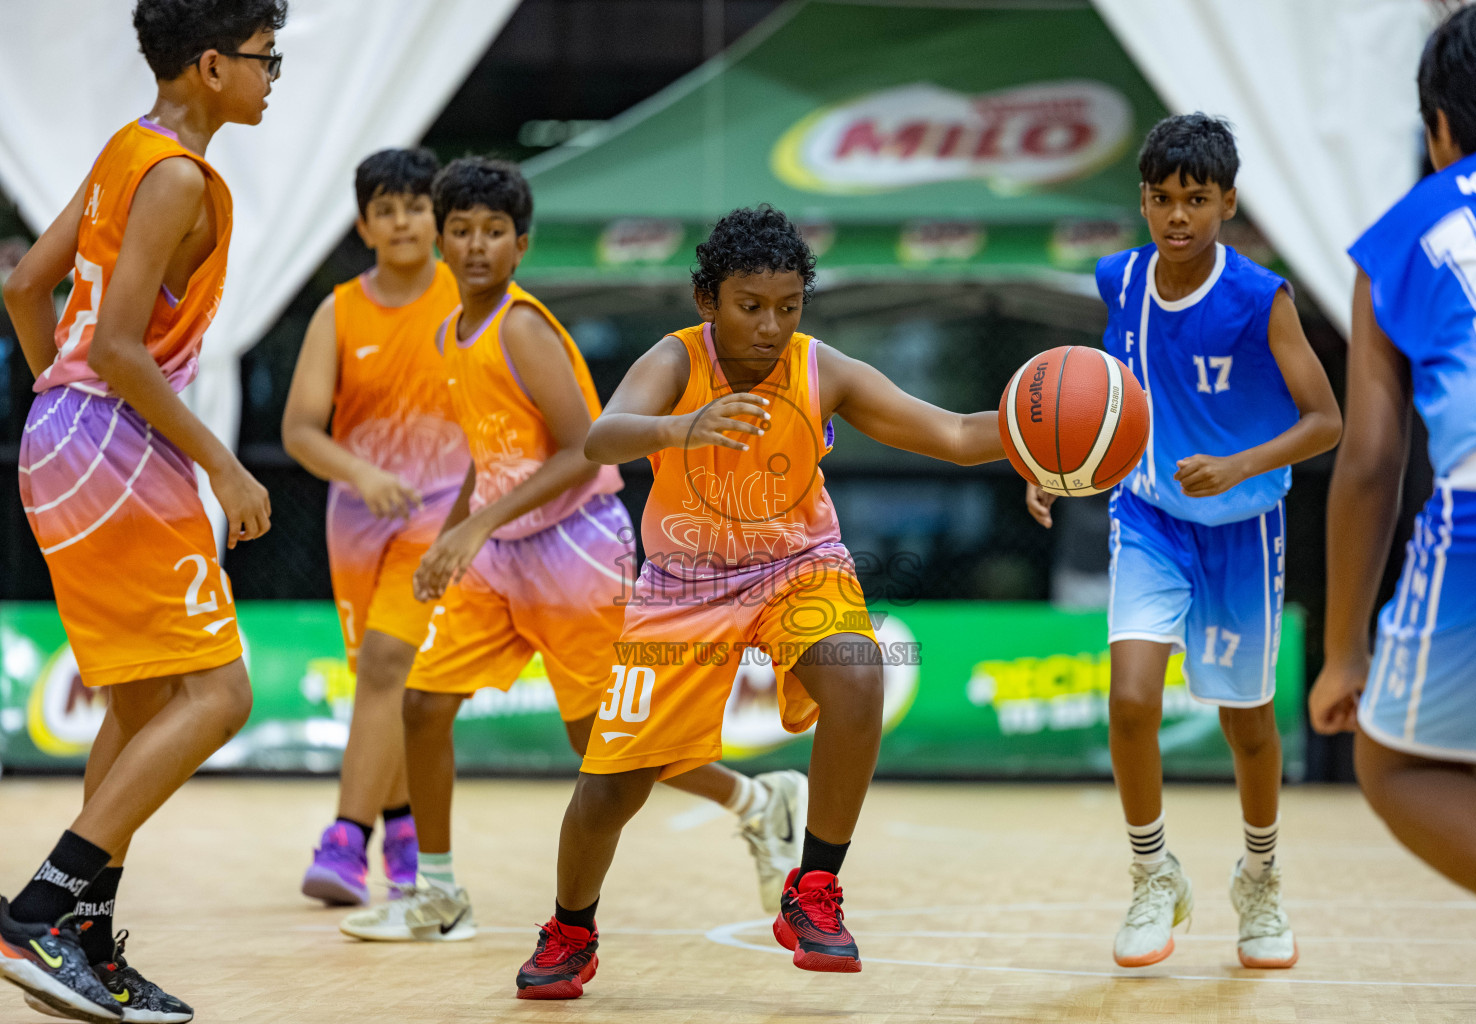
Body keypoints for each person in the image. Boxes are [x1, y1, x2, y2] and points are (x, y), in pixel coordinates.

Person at [515, 204, 1007, 999]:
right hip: (687, 586)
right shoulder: (675, 361)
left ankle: (813, 892)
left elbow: (952, 434)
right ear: (708, 301)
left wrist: (1044, 439)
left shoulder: (824, 370)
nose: (771, 326)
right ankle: (571, 930)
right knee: (610, 788)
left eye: (788, 307)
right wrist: (681, 430)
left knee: (859, 676)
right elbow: (601, 439)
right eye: (751, 307)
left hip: (798, 567)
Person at [337, 160, 806, 944]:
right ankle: (439, 896)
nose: (477, 245)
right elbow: (492, 460)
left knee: (602, 744)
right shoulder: (451, 329)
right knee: (422, 704)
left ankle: (758, 803)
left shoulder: (520, 325)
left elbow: (581, 451)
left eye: (494, 232)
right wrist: (455, 531)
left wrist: (473, 528)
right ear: (442, 244)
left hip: (573, 550)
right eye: (462, 231)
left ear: (520, 246)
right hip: (499, 551)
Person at [0, 1, 286, 1020]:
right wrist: (224, 467)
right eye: (263, 58)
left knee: (133, 705)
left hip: (64, 437)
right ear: (211, 64)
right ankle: (37, 911)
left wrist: (65, 412)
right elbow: (120, 346)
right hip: (114, 445)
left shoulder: (127, 150)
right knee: (219, 696)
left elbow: (28, 287)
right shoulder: (175, 176)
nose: (272, 75)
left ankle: (78, 941)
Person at [1028, 113, 1341, 970]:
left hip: (1244, 529)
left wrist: (1240, 465)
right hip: (1151, 519)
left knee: (1247, 725)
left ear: (1227, 203)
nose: (1177, 216)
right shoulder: (1119, 281)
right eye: (1163, 199)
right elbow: (1098, 400)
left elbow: (1327, 421)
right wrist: (1052, 466)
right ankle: (1151, 875)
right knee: (1129, 700)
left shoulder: (1259, 299)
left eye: (1195, 200)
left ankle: (1261, 880)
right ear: (1142, 201)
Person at [1311, 0, 1476, 937]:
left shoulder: (1401, 235)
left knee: (1397, 763)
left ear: (1438, 131)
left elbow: (1370, 461)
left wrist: (1345, 651)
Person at [282, 148, 466, 906]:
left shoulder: (469, 295)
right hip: (359, 520)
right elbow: (300, 430)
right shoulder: (339, 311)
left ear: (437, 221)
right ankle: (400, 826)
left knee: (392, 662)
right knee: (378, 681)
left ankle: (345, 838)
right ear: (364, 225)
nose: (401, 220)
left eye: (414, 206)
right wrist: (361, 473)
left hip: (444, 513)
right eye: (385, 209)